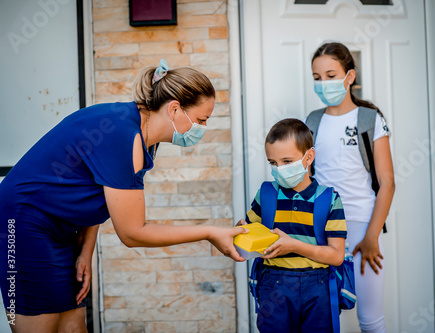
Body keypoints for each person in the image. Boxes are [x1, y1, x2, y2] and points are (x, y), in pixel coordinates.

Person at [0, 59, 247, 333]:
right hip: (21, 224)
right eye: (201, 120)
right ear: (175, 108)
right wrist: (210, 232)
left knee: (73, 327)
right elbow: (132, 233)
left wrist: (86, 251)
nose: (202, 128)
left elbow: (95, 189)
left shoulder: (142, 135)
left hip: (63, 228)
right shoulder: (122, 135)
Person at [305, 42, 395, 333]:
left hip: (361, 228)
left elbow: (388, 182)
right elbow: (305, 179)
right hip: (321, 227)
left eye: (331, 75)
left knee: (369, 318)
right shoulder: (312, 122)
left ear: (349, 76)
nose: (324, 84)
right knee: (322, 316)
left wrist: (371, 236)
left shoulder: (370, 120)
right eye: (317, 78)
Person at [237, 118, 347, 333]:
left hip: (317, 287)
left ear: (309, 157)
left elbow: (336, 256)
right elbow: (247, 236)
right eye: (273, 163)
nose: (279, 169)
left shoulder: (329, 199)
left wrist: (294, 245)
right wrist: (240, 230)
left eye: (287, 161)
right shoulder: (266, 194)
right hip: (273, 285)